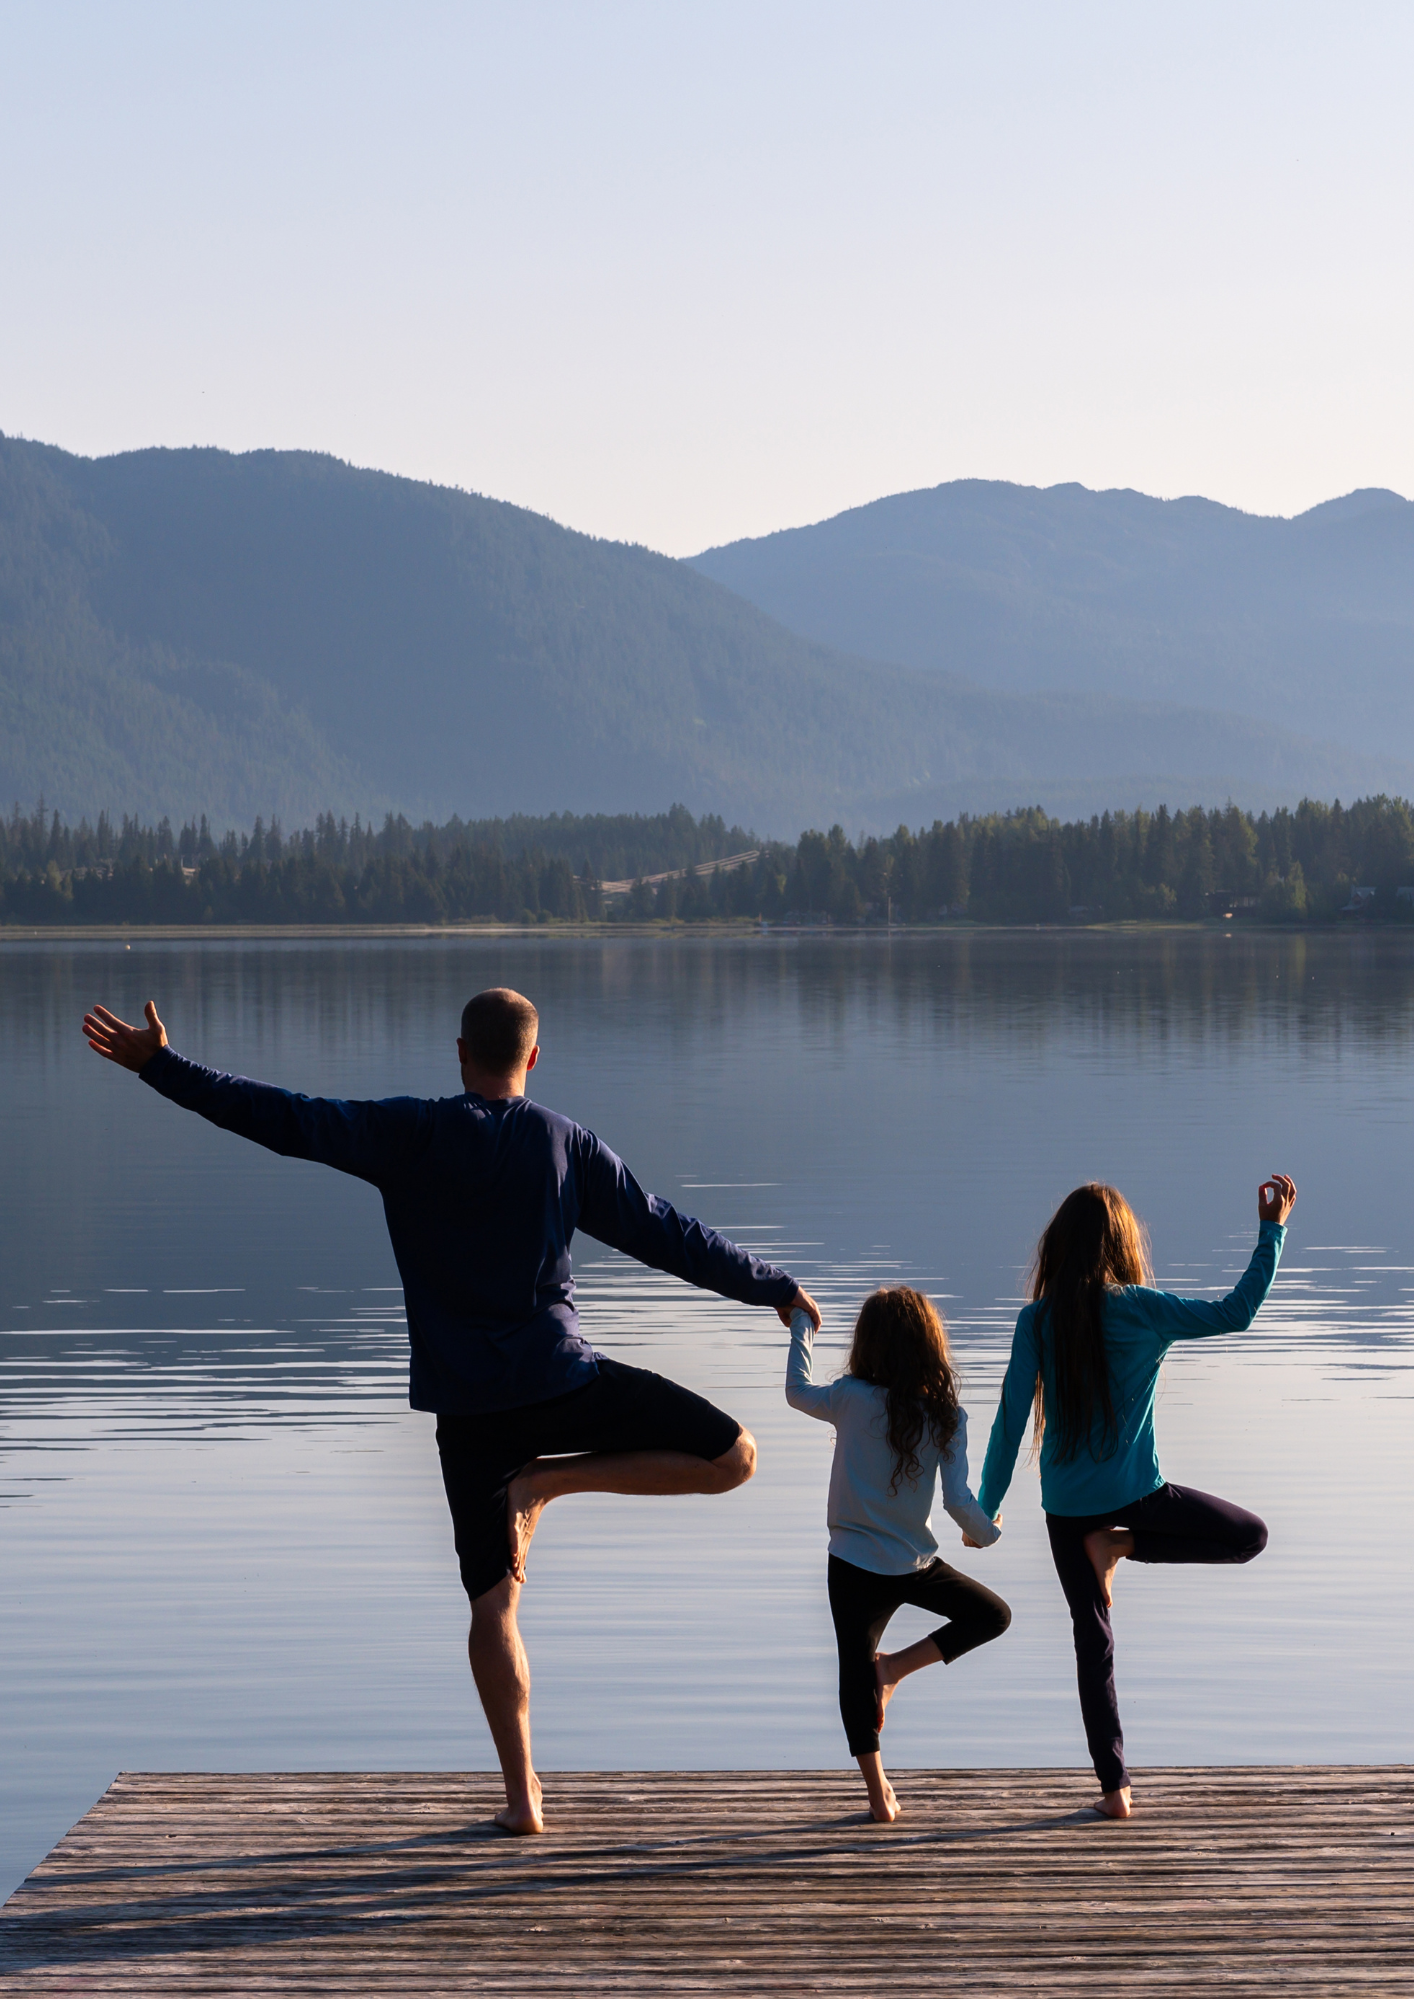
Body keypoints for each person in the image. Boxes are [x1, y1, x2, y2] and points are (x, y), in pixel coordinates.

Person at [82, 987, 820, 1837]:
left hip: (469, 1411)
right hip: (562, 1380)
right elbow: (664, 1230)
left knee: (492, 1607)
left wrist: (163, 1068)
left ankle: (523, 1797)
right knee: (735, 1456)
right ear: (533, 1059)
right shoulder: (564, 1142)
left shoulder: (412, 1133)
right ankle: (549, 1483)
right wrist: (767, 1285)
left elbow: (284, 1119)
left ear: (459, 1052)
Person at [977, 1174, 1297, 1821]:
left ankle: (1115, 1790)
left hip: (1066, 1506)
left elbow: (1010, 1419)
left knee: (1092, 1640)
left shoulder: (1036, 1320)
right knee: (1249, 1537)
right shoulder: (1144, 1309)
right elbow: (1236, 1313)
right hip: (1139, 1496)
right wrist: (1272, 1230)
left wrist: (986, 1507)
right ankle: (1122, 1542)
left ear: (1057, 1248)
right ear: (1122, 1244)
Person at [785, 1286, 1010, 1824]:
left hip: (856, 1563)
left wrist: (801, 1325)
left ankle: (878, 1787)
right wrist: (988, 1534)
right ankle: (891, 1675)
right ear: (930, 1346)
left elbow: (796, 1391)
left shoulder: (849, 1397)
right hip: (914, 1563)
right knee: (992, 1616)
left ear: (868, 1344)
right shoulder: (946, 1415)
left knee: (854, 1668)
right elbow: (958, 1501)